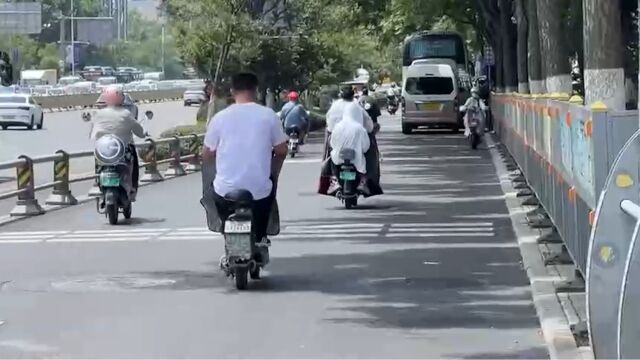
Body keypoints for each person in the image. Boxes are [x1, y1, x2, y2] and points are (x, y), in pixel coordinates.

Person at [202, 72, 288, 246]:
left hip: (224, 190)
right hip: (259, 189)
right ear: (256, 91)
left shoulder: (219, 118)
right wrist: (273, 173)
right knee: (268, 194)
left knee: (213, 193)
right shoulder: (269, 116)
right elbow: (281, 151)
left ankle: (227, 231)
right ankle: (261, 237)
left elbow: (207, 153)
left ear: (232, 91)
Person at [90, 86, 146, 192]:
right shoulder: (126, 114)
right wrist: (143, 134)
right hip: (122, 149)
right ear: (121, 99)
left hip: (104, 149)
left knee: (97, 159)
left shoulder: (98, 114)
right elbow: (139, 131)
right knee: (133, 160)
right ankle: (133, 187)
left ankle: (97, 180)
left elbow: (92, 132)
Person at [328, 102, 371, 195]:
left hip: (339, 158)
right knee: (364, 164)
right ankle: (362, 182)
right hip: (357, 159)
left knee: (332, 158)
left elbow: (332, 144)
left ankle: (335, 181)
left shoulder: (337, 127)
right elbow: (366, 146)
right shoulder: (360, 128)